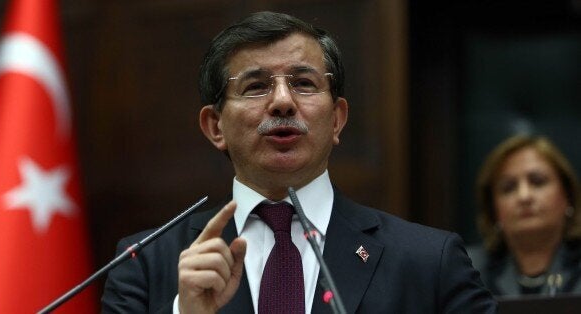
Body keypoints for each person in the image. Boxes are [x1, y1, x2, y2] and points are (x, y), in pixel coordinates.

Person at [101, 11, 496, 313]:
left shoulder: (429, 261)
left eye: (304, 83)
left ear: (338, 119)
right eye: (256, 87)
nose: (283, 101)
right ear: (215, 126)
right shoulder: (145, 264)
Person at [468, 135, 581, 296]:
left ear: (567, 196)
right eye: (508, 188)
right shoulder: (466, 271)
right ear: (493, 210)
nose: (524, 196)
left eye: (538, 181)